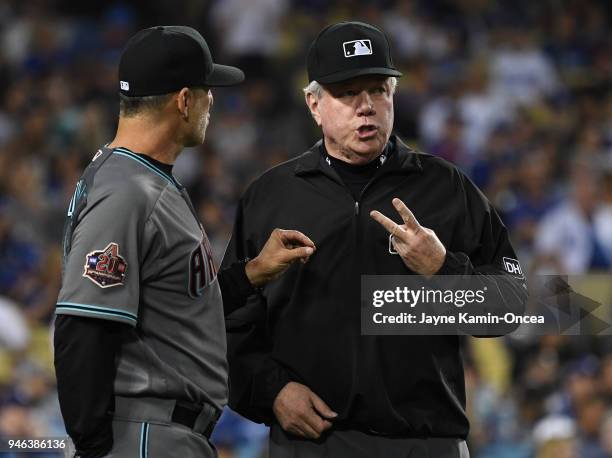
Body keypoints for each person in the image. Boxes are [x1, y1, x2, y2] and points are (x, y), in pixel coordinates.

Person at [222, 21, 528, 458]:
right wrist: (272, 391)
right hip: (313, 443)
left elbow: (513, 305)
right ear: (314, 104)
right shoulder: (271, 196)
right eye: (347, 93)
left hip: (425, 442)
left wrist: (444, 270)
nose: (366, 106)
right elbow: (230, 323)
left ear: (394, 95)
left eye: (378, 90)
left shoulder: (445, 188)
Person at [54, 26, 314, 458]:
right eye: (207, 89)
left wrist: (250, 275)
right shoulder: (128, 191)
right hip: (142, 434)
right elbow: (82, 324)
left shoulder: (141, 179)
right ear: (184, 100)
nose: (213, 100)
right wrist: (93, 445)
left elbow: (174, 303)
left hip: (162, 433)